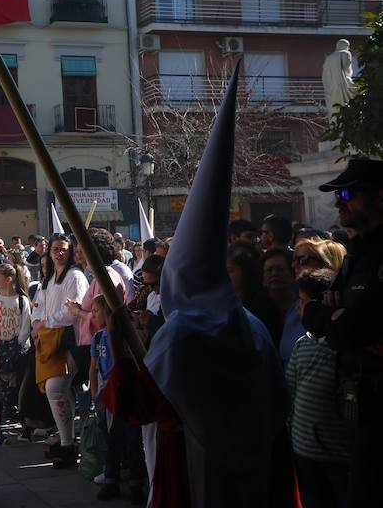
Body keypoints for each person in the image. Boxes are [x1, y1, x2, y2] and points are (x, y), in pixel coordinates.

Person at [100, 66, 296, 508]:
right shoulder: (252, 328)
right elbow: (279, 402)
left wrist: (117, 340)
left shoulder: (181, 334)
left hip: (192, 470)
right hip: (257, 471)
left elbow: (138, 407)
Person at [301, 158, 383, 506]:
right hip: (357, 408)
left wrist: (334, 320)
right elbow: (329, 322)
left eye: (348, 193)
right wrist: (330, 318)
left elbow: (355, 327)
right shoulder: (355, 258)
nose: (339, 202)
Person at [287, 268, 350, 508]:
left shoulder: (343, 344)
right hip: (304, 450)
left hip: (340, 453)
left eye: (303, 302)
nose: (299, 308)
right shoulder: (302, 344)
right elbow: (290, 389)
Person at [31, 233, 88, 469]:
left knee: (56, 389)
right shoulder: (48, 278)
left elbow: (72, 309)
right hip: (47, 341)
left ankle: (67, 443)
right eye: (55, 248)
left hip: (69, 341)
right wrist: (36, 324)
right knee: (59, 392)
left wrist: (46, 323)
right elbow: (37, 306)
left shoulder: (75, 276)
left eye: (63, 248)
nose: (58, 252)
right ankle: (68, 441)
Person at [89, 295, 146, 504]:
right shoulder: (97, 338)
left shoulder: (128, 337)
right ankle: (111, 478)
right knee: (111, 439)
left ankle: (135, 482)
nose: (92, 315)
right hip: (108, 394)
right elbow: (93, 368)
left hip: (129, 392)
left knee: (133, 441)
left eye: (96, 311)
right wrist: (95, 392)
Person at [0, 263, 31, 437]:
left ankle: (25, 424)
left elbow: (25, 327)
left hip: (17, 351)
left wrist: (16, 349)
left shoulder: (21, 301)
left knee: (18, 390)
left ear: (8, 279)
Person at [226, 241, 282, 347]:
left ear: (246, 272)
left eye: (230, 270)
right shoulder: (224, 303)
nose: (225, 275)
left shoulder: (264, 306)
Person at [263, 248, 304, 364]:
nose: (274, 274)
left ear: (292, 274)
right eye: (269, 270)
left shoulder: (303, 308)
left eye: (280, 269)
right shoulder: (258, 311)